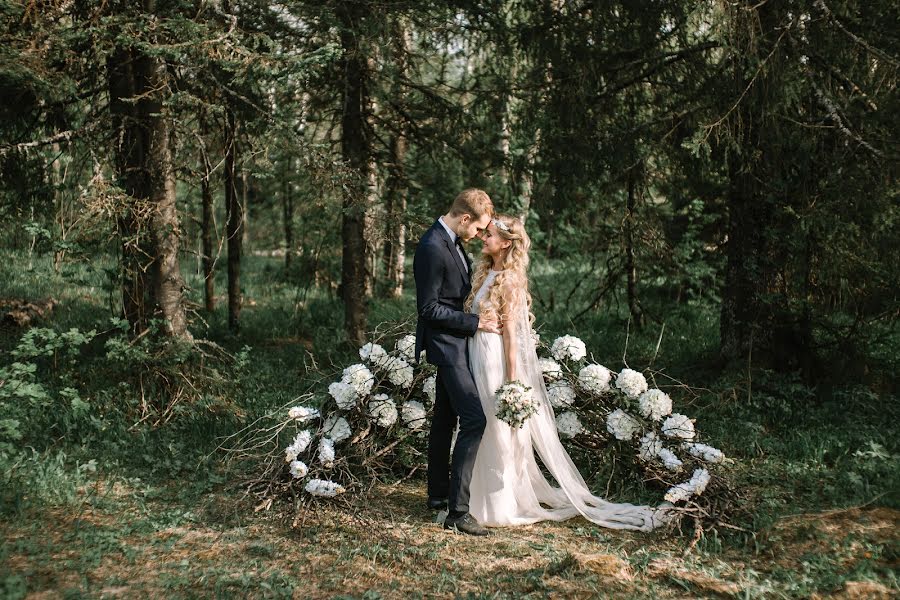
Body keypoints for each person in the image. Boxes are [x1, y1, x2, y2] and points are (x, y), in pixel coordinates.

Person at [464, 214, 667, 530]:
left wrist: (512, 382)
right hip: (476, 357)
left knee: (497, 426)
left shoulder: (512, 281)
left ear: (506, 243)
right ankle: (471, 498)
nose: (482, 238)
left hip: (495, 362)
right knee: (479, 425)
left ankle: (499, 503)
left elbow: (512, 339)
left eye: (488, 234)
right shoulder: (487, 272)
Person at [413, 188, 500, 536]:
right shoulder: (433, 246)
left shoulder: (452, 241)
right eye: (478, 229)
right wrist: (475, 323)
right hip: (447, 346)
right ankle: (458, 512)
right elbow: (428, 308)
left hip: (458, 345)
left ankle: (437, 495)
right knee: (475, 419)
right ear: (465, 219)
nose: (479, 235)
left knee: (445, 419)